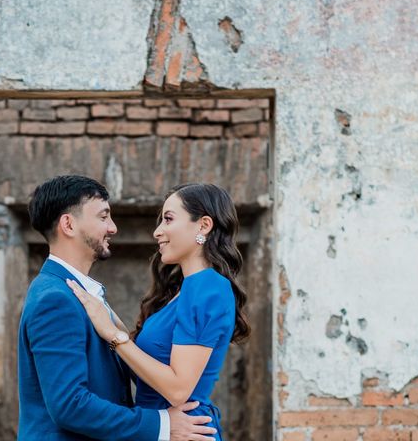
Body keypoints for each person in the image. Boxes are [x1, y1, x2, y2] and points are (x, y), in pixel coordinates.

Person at [18, 175, 218, 441]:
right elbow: (69, 405)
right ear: (68, 224)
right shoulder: (55, 299)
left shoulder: (79, 293)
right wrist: (162, 425)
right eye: (103, 217)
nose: (113, 227)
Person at [68, 183, 251, 441]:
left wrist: (113, 335)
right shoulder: (183, 290)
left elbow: (177, 390)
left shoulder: (208, 288)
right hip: (161, 429)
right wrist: (106, 315)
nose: (157, 232)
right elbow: (146, 369)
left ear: (204, 225)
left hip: (186, 431)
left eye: (168, 219)